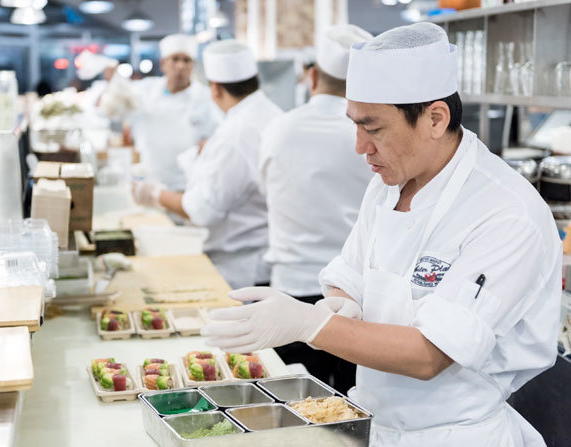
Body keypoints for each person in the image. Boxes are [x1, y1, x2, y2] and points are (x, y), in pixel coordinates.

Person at [201, 22, 561, 446]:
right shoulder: (391, 181)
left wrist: (308, 323)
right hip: (374, 423)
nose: (359, 146)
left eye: (372, 129)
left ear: (435, 118)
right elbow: (350, 274)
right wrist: (341, 306)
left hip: (454, 435)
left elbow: (430, 354)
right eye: (354, 125)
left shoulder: (506, 212)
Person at [259, 24, 374, 393]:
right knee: (351, 410)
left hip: (291, 291)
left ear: (311, 76)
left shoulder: (278, 129)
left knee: (293, 409)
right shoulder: (371, 134)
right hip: (355, 300)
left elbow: (267, 194)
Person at [131, 40, 283, 289]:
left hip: (241, 267)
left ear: (215, 90)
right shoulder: (272, 114)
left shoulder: (235, 134)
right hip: (263, 257)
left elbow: (201, 210)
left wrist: (153, 193)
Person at [101, 34, 220, 191]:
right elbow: (111, 112)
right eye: (175, 59)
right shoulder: (144, 90)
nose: (181, 66)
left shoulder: (206, 97)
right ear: (163, 64)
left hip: (189, 185)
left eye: (186, 60)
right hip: (148, 181)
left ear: (193, 65)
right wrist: (114, 84)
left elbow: (218, 138)